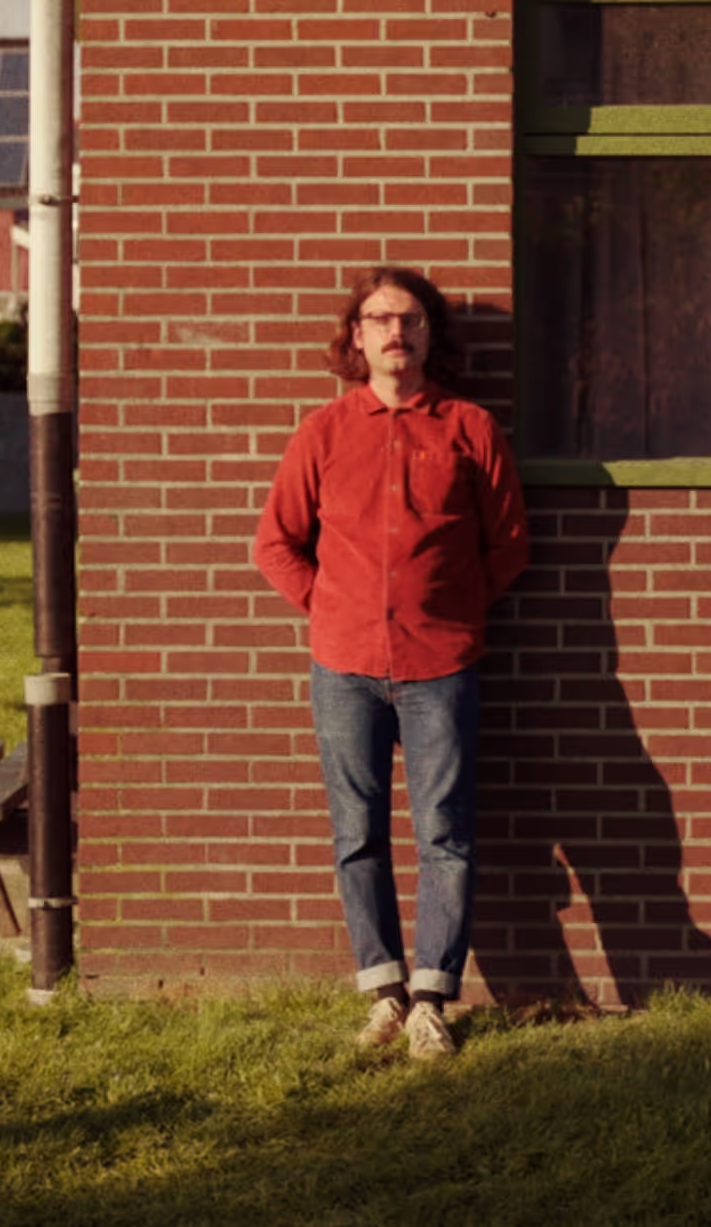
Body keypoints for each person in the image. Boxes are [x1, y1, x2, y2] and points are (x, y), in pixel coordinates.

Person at [254, 268, 529, 1057]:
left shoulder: (469, 428)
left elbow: (509, 545)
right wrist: (330, 605)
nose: (394, 333)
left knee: (445, 833)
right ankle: (382, 991)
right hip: (344, 666)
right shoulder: (324, 431)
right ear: (355, 338)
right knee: (357, 833)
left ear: (429, 335)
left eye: (408, 319)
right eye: (378, 320)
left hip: (442, 662)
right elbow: (274, 544)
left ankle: (433, 999)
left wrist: (450, 609)